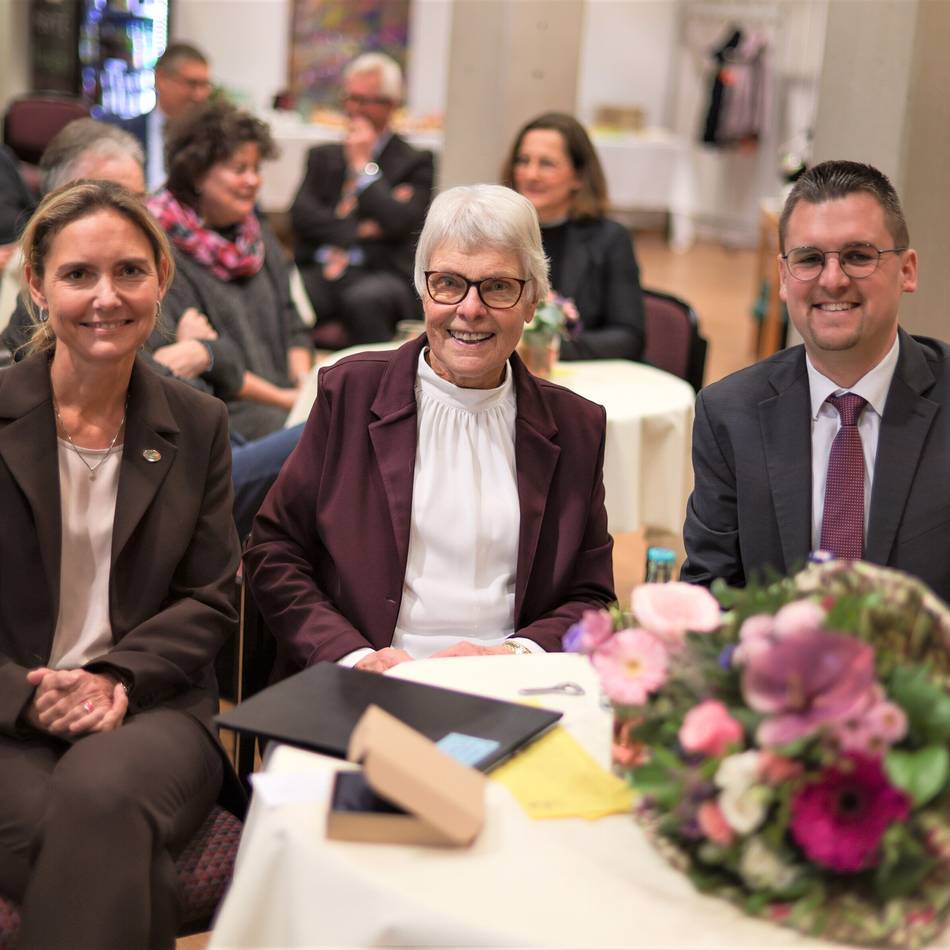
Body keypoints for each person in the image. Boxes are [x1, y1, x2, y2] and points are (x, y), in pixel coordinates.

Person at [0, 179, 241, 948]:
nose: (107, 297)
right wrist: (28, 698)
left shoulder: (198, 423)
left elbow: (210, 598)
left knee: (100, 794)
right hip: (6, 716)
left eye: (130, 272)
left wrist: (116, 678)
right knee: (108, 847)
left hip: (154, 708)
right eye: (78, 274)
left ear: (162, 279)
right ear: (37, 286)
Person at [245, 184, 615, 677]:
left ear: (533, 301)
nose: (470, 308)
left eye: (499, 286)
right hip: (365, 678)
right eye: (448, 283)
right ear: (423, 290)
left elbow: (590, 595)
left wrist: (513, 656)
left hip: (510, 685)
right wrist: (355, 656)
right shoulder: (350, 394)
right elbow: (275, 552)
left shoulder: (575, 427)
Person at [0, 117, 303, 539]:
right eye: (105, 196)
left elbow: (226, 360)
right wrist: (193, 358)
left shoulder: (144, 280)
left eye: (137, 199)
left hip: (212, 442)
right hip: (168, 465)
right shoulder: (56, 314)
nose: (127, 216)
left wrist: (203, 353)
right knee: (332, 432)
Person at [681, 160, 950, 603]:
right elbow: (711, 596)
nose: (832, 279)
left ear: (907, 270)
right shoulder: (729, 413)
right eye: (809, 259)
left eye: (859, 256)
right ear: (785, 278)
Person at [150, 99, 314, 442]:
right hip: (225, 413)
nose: (253, 181)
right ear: (197, 174)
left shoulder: (257, 235)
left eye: (256, 168)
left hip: (286, 399)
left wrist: (303, 383)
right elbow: (205, 361)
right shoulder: (163, 249)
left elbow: (293, 320)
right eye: (240, 169)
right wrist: (290, 402)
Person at [291, 52, 435, 347]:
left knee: (365, 300)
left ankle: (377, 385)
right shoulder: (323, 156)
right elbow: (302, 216)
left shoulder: (416, 161)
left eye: (365, 101)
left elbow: (401, 223)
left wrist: (363, 167)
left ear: (391, 105)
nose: (354, 110)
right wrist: (361, 228)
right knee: (286, 292)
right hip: (321, 267)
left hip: (380, 271)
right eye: (350, 99)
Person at [502, 112, 645, 361]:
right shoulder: (497, 233)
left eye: (546, 164)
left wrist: (541, 348)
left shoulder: (610, 239)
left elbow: (628, 337)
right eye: (523, 161)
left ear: (579, 176)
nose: (530, 174)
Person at [105, 41, 212, 191]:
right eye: (192, 84)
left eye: (205, 85)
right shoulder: (122, 134)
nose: (199, 95)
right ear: (160, 79)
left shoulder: (212, 141)